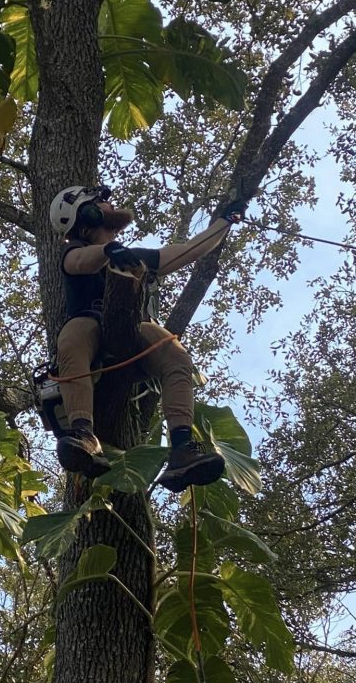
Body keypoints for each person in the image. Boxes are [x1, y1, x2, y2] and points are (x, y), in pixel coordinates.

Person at [48, 184, 246, 492]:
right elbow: (79, 262)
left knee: (176, 356)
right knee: (71, 341)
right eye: (101, 203)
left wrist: (224, 221)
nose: (110, 205)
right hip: (89, 322)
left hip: (134, 327)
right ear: (86, 214)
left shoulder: (130, 256)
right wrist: (107, 251)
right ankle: (83, 432)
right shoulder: (73, 252)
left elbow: (187, 251)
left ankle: (182, 447)